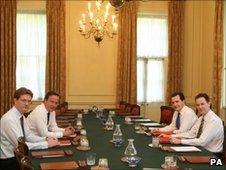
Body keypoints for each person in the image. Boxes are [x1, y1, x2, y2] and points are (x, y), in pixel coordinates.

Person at [0, 87, 59, 170]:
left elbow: (28, 136)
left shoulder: (21, 116)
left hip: (19, 157)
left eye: (29, 101)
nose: (27, 104)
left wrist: (45, 139)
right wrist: (46, 144)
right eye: (23, 100)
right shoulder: (9, 119)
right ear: (15, 100)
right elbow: (22, 146)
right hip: (9, 161)